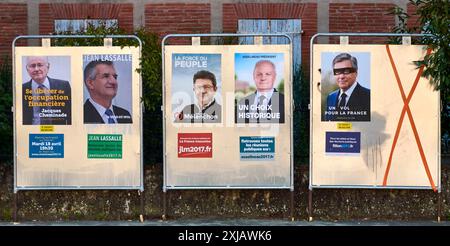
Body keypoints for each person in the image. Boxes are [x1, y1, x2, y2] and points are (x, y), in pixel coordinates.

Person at [22, 56, 71, 125]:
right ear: (27, 69)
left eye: (40, 65)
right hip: (32, 133)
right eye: (32, 66)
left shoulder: (63, 86)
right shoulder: (21, 89)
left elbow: (70, 114)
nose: (36, 69)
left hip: (58, 133)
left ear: (48, 67)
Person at [324, 53, 370, 121]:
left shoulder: (369, 96)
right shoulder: (331, 98)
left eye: (346, 71)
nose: (341, 76)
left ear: (356, 73)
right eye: (337, 72)